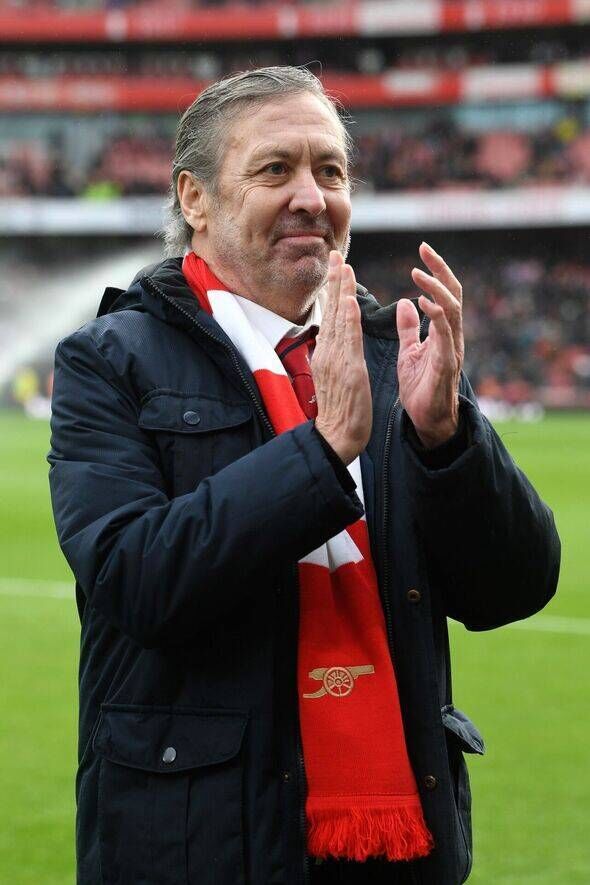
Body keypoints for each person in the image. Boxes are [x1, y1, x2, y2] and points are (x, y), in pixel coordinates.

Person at [48, 67, 560, 885]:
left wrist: (449, 444)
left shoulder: (397, 353)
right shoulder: (109, 360)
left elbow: (514, 587)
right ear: (194, 198)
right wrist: (319, 456)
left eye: (331, 170)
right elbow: (134, 578)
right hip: (201, 849)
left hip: (401, 851)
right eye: (275, 169)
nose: (312, 197)